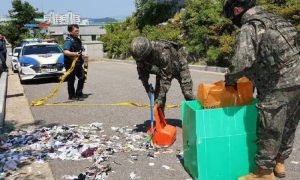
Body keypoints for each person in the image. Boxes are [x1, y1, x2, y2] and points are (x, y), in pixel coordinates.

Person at [223, 0, 300, 179]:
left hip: (278, 85)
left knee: (270, 127)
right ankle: (279, 163)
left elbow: (240, 62)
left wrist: (230, 80)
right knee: (289, 124)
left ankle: (264, 173)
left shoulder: (251, 27)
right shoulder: (277, 20)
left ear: (236, 10)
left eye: (230, 16)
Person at [130, 37, 195, 111]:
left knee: (188, 94)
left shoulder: (163, 52)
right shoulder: (140, 56)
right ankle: (160, 121)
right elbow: (142, 73)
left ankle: (202, 112)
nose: (142, 61)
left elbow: (166, 78)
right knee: (157, 102)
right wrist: (147, 87)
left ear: (148, 52)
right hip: (163, 71)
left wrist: (160, 97)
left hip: (179, 67)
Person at [63, 24, 88, 100]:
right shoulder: (68, 41)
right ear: (70, 31)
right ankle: (72, 96)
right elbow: (65, 52)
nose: (78, 31)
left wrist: (83, 55)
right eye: (76, 30)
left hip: (78, 63)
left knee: (82, 77)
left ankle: (79, 93)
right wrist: (75, 54)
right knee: (71, 80)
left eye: (78, 30)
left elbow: (80, 51)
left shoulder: (77, 40)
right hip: (70, 64)